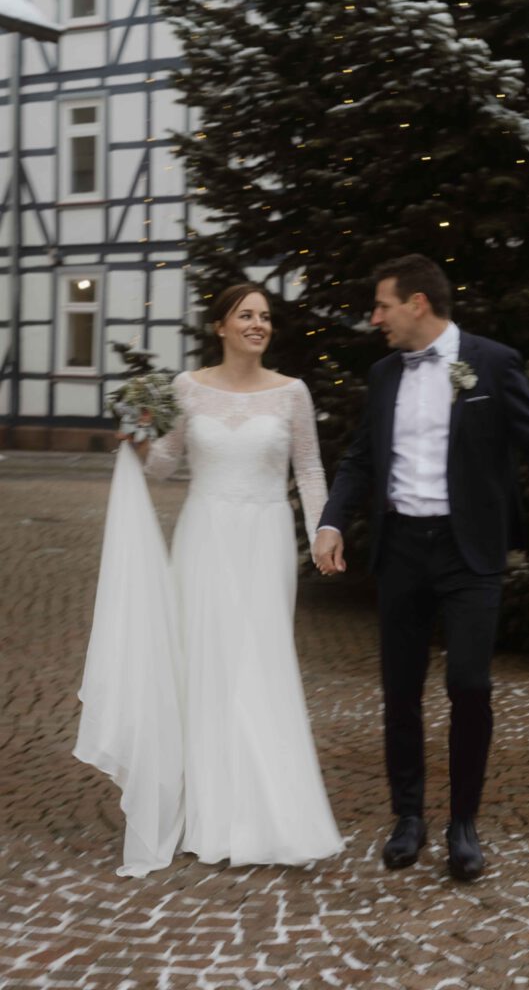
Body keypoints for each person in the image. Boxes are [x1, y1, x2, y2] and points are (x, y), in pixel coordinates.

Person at [313, 254, 529, 881]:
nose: (374, 317)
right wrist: (332, 521)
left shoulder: (492, 363)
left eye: (383, 304)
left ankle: (463, 823)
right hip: (402, 549)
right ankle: (407, 818)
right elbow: (360, 457)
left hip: (470, 551)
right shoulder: (384, 373)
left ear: (418, 303)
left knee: (470, 683)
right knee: (401, 692)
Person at [75, 283, 343, 875]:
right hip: (203, 538)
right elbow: (168, 466)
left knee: (259, 661)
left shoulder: (292, 393)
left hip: (265, 538)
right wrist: (139, 444)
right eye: (245, 315)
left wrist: (327, 529)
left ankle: (270, 809)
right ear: (220, 326)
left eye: (265, 316)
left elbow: (310, 467)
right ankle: (207, 810)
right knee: (205, 663)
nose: (257, 324)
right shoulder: (187, 389)